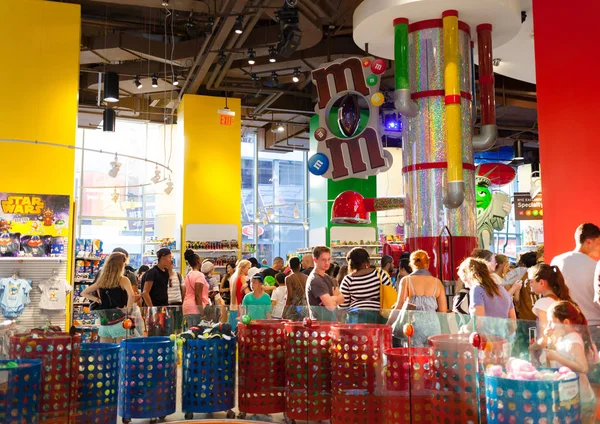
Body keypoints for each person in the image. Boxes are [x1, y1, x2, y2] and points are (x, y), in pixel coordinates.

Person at [531, 301, 598, 423]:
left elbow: (583, 368)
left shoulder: (573, 341)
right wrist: (547, 337)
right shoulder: (564, 337)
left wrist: (557, 357)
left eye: (552, 321)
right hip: (571, 397)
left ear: (566, 322)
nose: (550, 325)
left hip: (582, 400)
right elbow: (538, 349)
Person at [387, 250, 447, 346]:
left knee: (415, 358)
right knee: (431, 357)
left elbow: (399, 305)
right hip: (433, 325)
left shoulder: (406, 281)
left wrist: (389, 324)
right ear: (428, 264)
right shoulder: (437, 282)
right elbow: (443, 311)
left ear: (411, 264)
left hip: (413, 325)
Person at [552, 223, 600, 330]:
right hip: (594, 325)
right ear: (589, 242)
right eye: (599, 243)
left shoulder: (556, 261)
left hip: (566, 325)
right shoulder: (596, 266)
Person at [81, 252, 135, 343]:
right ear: (121, 265)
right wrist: (128, 310)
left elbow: (84, 293)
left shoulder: (102, 280)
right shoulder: (123, 280)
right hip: (119, 320)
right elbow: (132, 295)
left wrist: (97, 299)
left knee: (105, 351)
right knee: (122, 349)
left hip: (105, 321)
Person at [458, 257, 516, 337]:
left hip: (485, 342)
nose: (466, 285)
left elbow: (477, 321)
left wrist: (464, 329)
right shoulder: (502, 289)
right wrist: (503, 339)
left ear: (470, 275)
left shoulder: (477, 289)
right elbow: (513, 322)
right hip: (502, 340)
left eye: (465, 281)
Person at [339, 247, 392, 323]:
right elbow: (389, 294)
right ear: (367, 260)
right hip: (378, 315)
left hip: (356, 316)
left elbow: (343, 304)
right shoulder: (380, 274)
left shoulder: (348, 279)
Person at [528, 264, 573, 329]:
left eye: (531, 281)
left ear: (541, 282)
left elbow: (544, 333)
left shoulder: (542, 303)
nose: (530, 285)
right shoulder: (559, 298)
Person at [306, 246, 344, 321]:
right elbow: (331, 306)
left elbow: (342, 298)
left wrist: (333, 299)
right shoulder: (315, 280)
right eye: (323, 260)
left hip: (330, 322)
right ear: (315, 260)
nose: (327, 263)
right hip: (319, 325)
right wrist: (335, 298)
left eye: (328, 259)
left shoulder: (327, 277)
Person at [182, 250, 208, 328]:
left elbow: (185, 292)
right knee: (198, 334)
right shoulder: (199, 275)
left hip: (187, 307)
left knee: (189, 333)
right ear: (198, 262)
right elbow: (197, 295)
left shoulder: (188, 275)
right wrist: (202, 313)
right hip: (196, 309)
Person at [283, 257, 308, 321]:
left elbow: (290, 296)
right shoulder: (306, 277)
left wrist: (285, 310)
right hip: (304, 308)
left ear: (290, 266)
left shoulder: (289, 278)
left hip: (293, 308)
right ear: (300, 265)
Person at [230, 259, 252, 327]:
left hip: (232, 307)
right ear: (242, 268)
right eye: (248, 268)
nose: (249, 270)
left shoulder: (233, 277)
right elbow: (248, 294)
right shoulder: (243, 278)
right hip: (240, 308)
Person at [166, 260, 184, 333]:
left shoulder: (179, 276)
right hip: (166, 305)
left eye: (169, 264)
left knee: (178, 327)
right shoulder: (162, 277)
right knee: (168, 327)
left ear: (172, 265)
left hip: (177, 305)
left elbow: (183, 290)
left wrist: (181, 300)